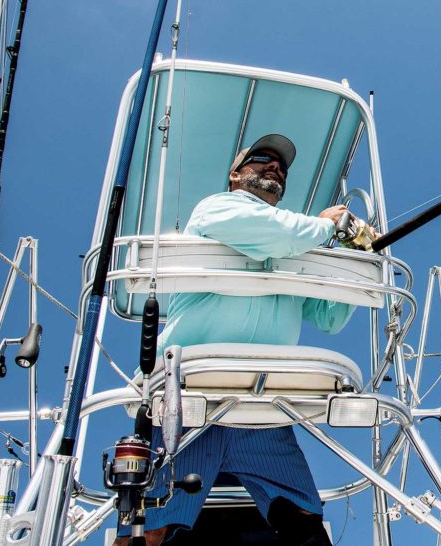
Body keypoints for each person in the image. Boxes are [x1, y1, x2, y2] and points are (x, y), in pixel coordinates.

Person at [115, 134, 363, 546]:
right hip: (190, 391)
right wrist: (328, 225)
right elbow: (273, 233)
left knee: (303, 514)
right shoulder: (219, 208)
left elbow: (331, 316)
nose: (274, 168)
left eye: (281, 167)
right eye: (262, 159)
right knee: (153, 523)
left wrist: (357, 252)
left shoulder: (293, 241)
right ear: (235, 174)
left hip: (263, 401)